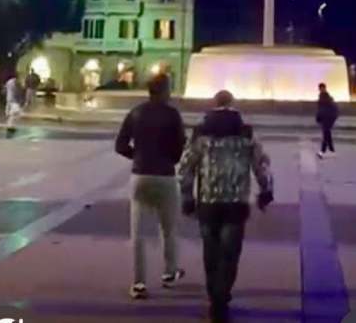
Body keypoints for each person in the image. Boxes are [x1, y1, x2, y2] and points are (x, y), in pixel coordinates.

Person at [178, 90, 273, 323]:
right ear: (231, 104)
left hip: (208, 202)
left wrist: (187, 196)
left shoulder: (201, 132)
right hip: (236, 202)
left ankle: (214, 299)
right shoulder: (246, 132)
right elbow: (261, 164)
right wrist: (266, 191)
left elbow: (186, 167)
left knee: (210, 252)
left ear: (214, 104)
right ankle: (223, 298)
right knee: (229, 254)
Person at [115, 73, 186, 300]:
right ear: (165, 90)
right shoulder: (173, 115)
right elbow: (180, 145)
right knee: (169, 228)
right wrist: (169, 159)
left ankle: (139, 283)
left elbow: (120, 145)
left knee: (138, 233)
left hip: (140, 175)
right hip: (165, 175)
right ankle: (169, 272)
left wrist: (137, 156)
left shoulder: (136, 112)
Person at [316, 82, 338, 158]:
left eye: (321, 88)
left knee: (326, 134)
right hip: (328, 117)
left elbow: (321, 109)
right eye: (320, 88)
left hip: (327, 117)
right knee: (327, 134)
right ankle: (332, 150)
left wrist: (318, 117)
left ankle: (322, 152)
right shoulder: (326, 96)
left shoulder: (324, 97)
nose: (320, 90)